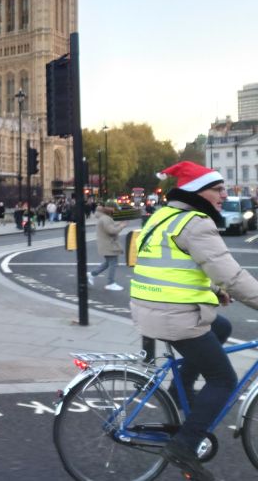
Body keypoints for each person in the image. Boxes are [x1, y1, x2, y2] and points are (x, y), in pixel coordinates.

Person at [130, 161, 258, 481]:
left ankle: (179, 392)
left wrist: (213, 291)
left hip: (152, 308)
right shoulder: (195, 222)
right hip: (173, 316)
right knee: (224, 380)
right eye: (218, 189)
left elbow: (175, 263)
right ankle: (184, 446)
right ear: (197, 191)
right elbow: (233, 275)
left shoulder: (163, 215)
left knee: (222, 327)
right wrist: (226, 287)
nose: (223, 195)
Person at [88, 199, 128, 291]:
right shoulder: (105, 218)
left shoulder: (104, 217)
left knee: (108, 263)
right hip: (109, 244)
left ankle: (92, 274)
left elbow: (111, 226)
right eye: (114, 208)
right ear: (109, 208)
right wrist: (122, 226)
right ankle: (110, 283)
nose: (115, 210)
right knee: (113, 263)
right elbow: (111, 231)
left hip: (107, 244)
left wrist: (119, 224)